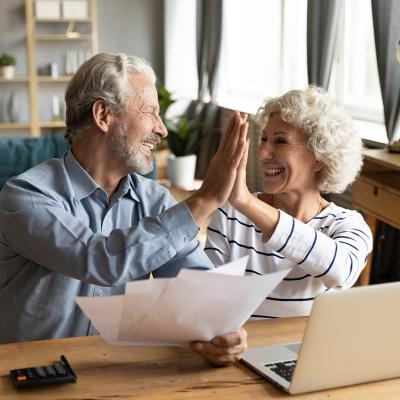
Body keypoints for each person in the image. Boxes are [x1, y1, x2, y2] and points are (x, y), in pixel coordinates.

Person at [0, 52, 248, 366]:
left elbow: (193, 282)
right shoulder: (26, 196)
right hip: (36, 376)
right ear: (103, 115)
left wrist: (219, 326)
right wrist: (203, 201)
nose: (162, 130)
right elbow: (99, 260)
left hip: (120, 372)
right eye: (151, 112)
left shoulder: (153, 200)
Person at [205, 86, 373, 318]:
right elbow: (208, 300)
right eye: (263, 139)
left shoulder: (347, 225)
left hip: (311, 353)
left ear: (319, 158)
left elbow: (341, 272)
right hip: (242, 350)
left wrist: (246, 202)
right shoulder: (232, 215)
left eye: (280, 142)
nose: (263, 153)